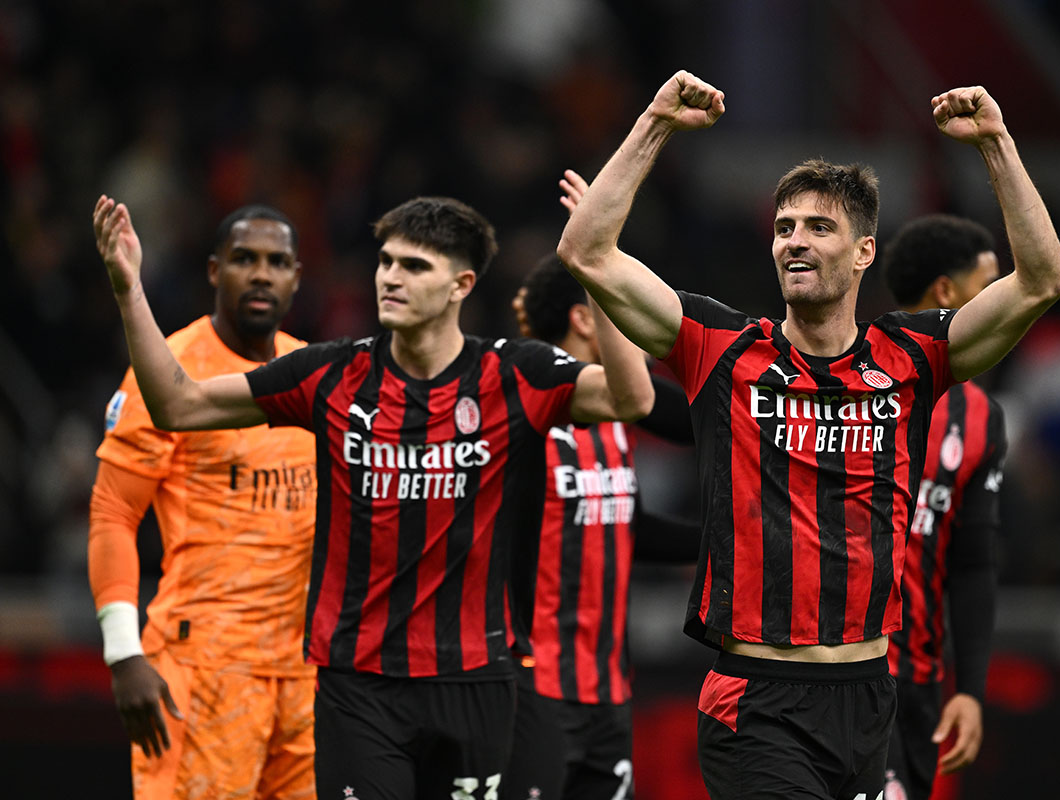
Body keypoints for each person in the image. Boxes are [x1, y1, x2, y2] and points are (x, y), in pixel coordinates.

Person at [556, 70, 1060, 799]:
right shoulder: (721, 348)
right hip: (757, 702)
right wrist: (655, 123)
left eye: (819, 227)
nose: (794, 242)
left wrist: (996, 145)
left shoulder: (912, 359)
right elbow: (587, 252)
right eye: (784, 227)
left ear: (864, 252)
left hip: (868, 697)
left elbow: (1043, 280)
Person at [92, 191, 654, 800]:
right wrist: (129, 290)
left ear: (461, 284)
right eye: (386, 261)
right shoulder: (328, 374)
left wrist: (595, 269)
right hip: (353, 685)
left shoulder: (513, 373)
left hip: (475, 680)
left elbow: (633, 400)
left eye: (414, 266)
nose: (391, 277)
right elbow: (178, 404)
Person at [87, 205, 317, 800]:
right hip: (202, 664)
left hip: (304, 675)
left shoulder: (315, 373)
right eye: (244, 260)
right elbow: (114, 512)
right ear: (215, 272)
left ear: (297, 276)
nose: (260, 275)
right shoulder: (168, 372)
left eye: (276, 262)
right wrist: (122, 653)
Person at [503, 176, 697, 800]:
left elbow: (627, 527)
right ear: (589, 319)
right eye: (622, 313)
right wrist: (594, 255)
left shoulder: (619, 424)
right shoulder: (532, 418)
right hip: (534, 687)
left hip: (608, 688)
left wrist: (733, 540)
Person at [879, 214, 1009, 800]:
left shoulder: (981, 417)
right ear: (947, 294)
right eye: (991, 289)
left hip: (920, 687)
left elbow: (973, 562)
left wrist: (971, 689)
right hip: (836, 672)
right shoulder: (848, 378)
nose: (1008, 311)